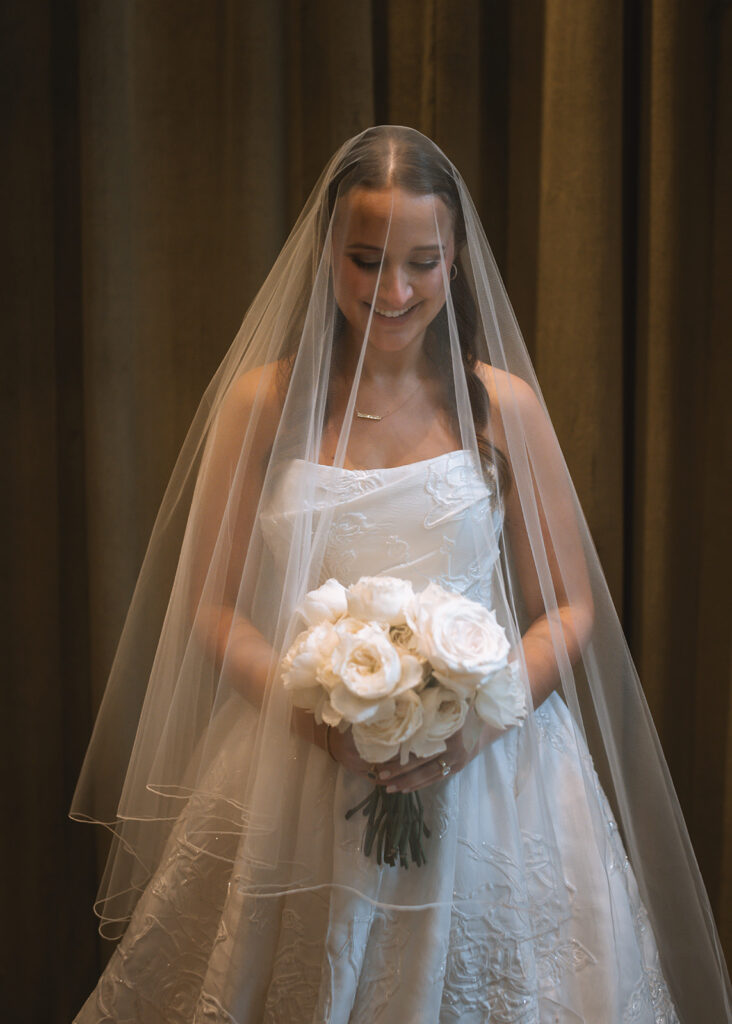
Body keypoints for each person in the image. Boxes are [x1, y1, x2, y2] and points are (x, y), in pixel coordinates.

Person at [71, 126, 730, 1023]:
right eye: (367, 260)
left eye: (422, 261)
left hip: (493, 772)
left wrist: (474, 722)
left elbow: (569, 607)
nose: (395, 289)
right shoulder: (264, 404)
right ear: (328, 256)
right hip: (299, 763)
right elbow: (214, 607)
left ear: (455, 261)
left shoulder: (505, 407)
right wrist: (321, 721)